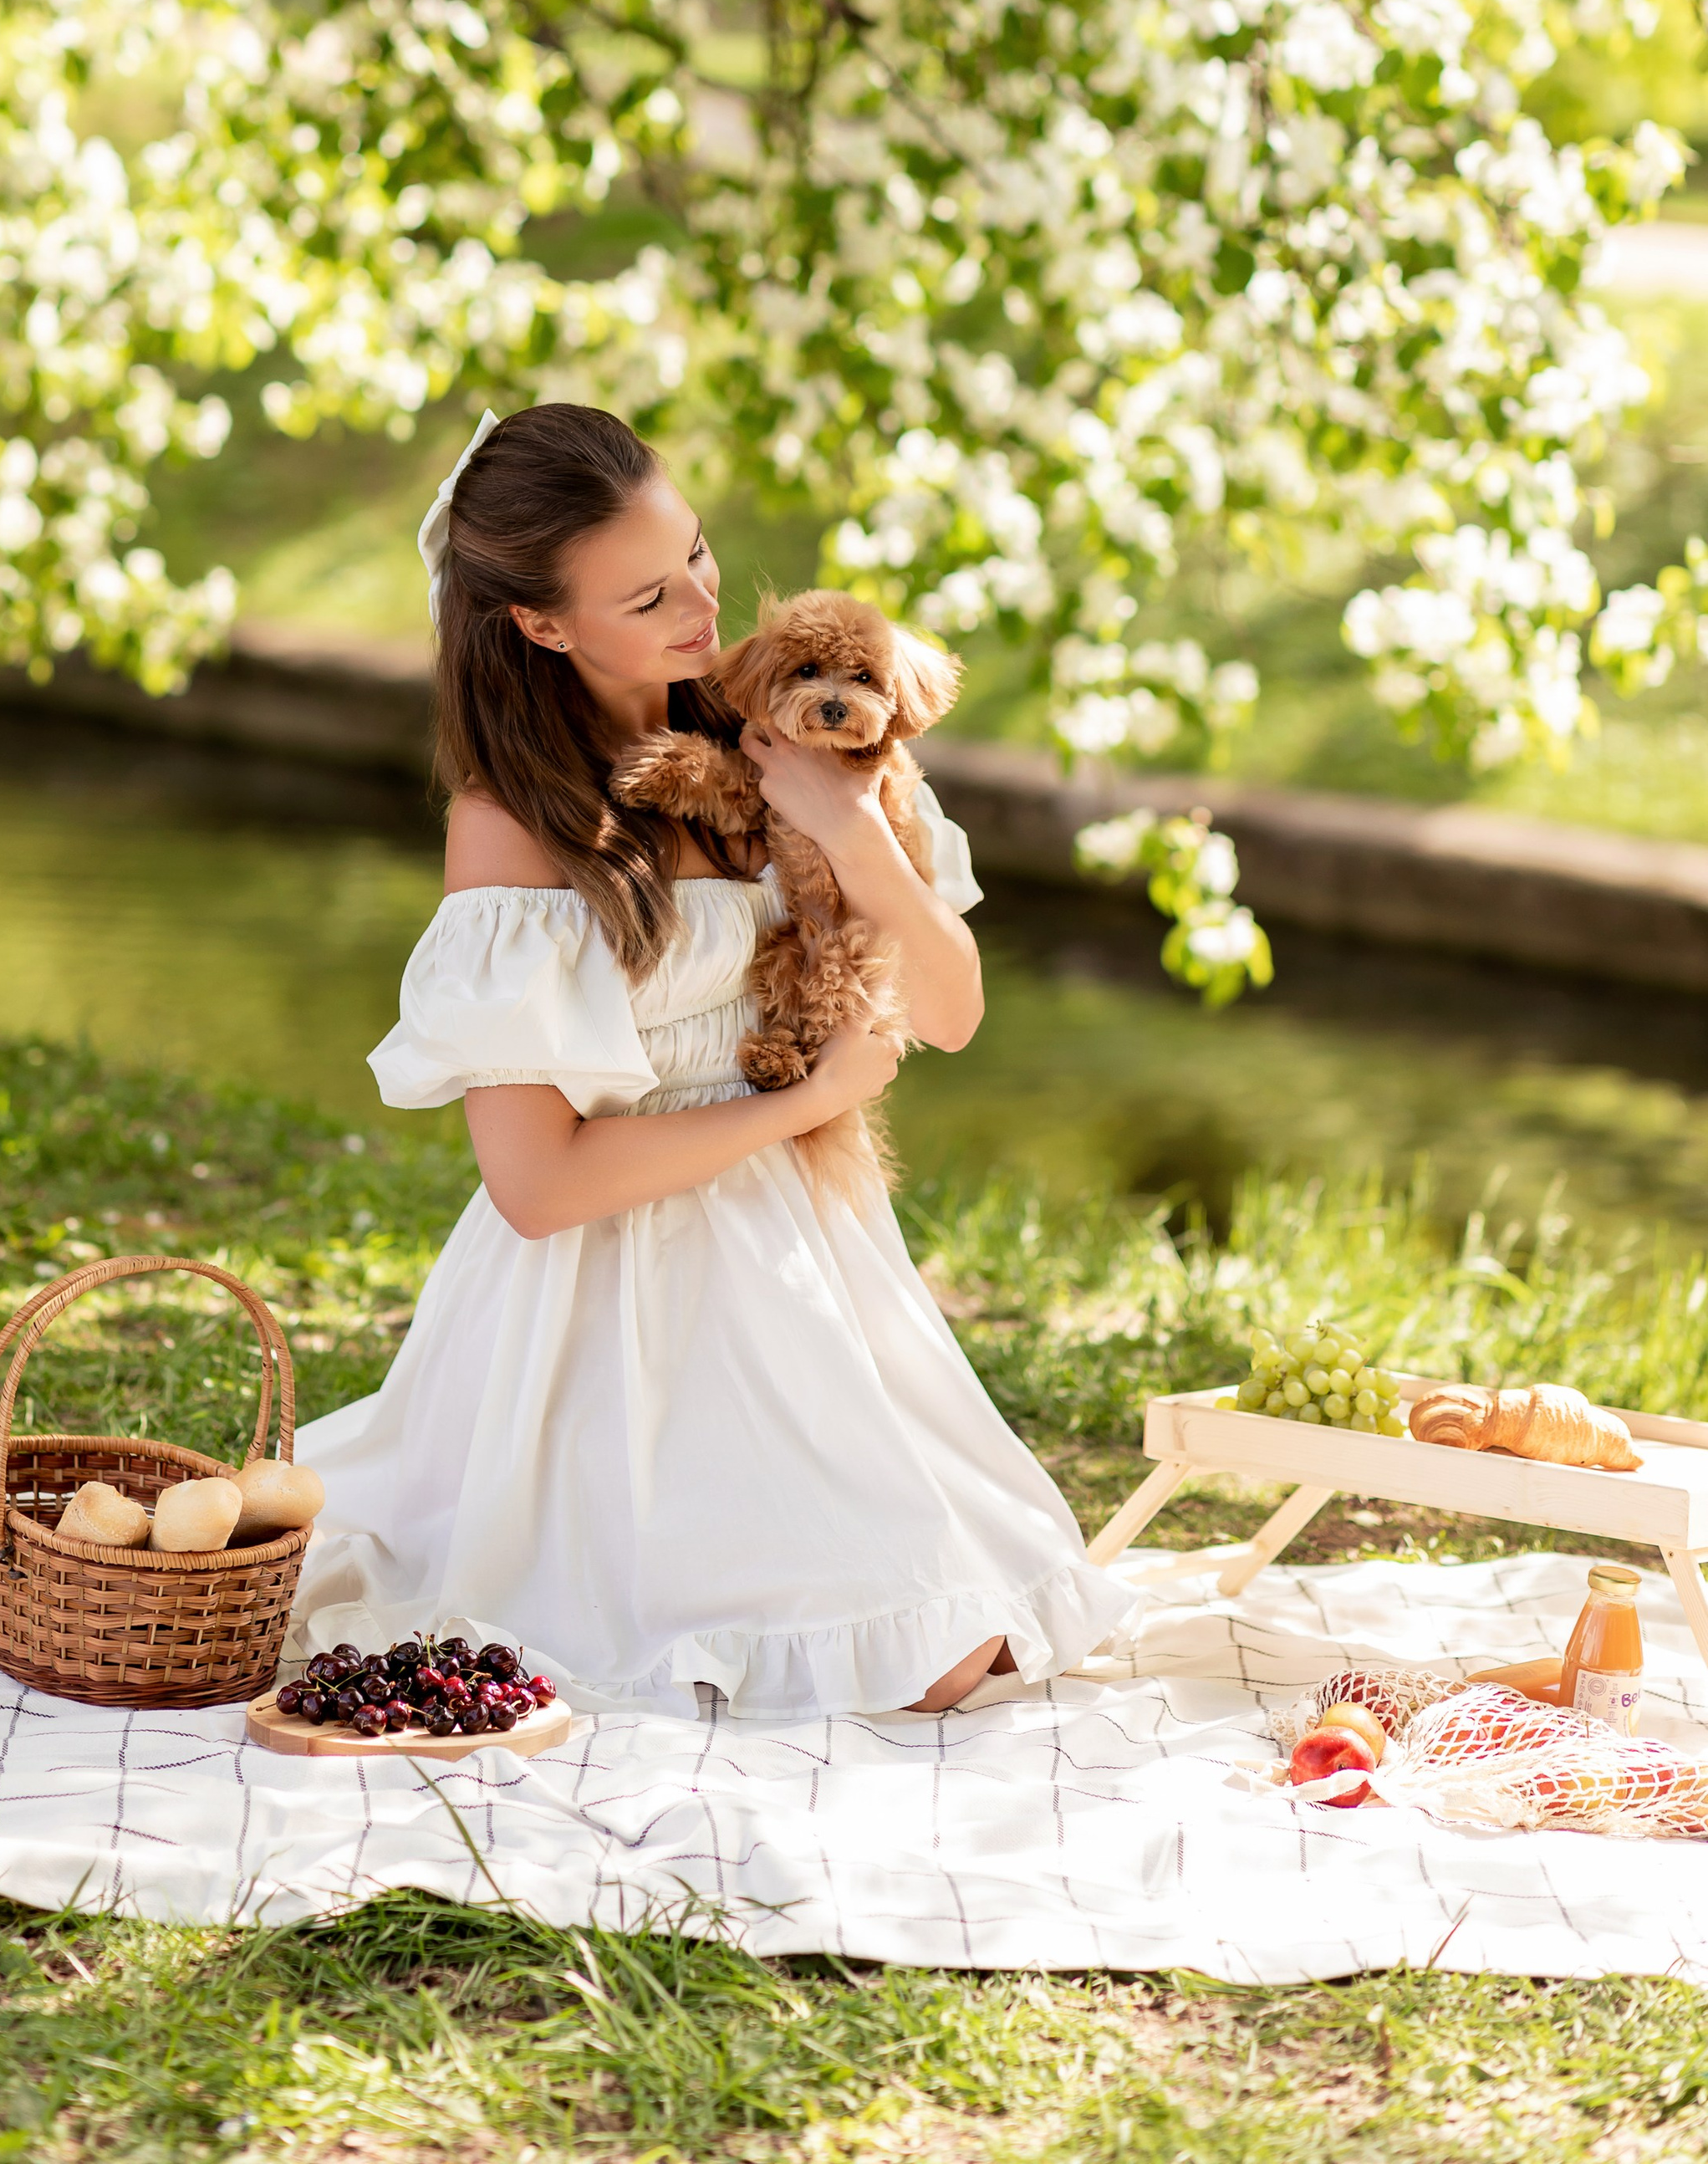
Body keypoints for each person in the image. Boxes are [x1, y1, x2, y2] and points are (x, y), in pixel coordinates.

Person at [288, 405, 1134, 1717]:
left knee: (986, 1626)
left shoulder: (792, 720)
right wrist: (805, 1099)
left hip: (803, 1261)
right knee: (913, 1655)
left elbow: (954, 1010)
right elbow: (539, 1186)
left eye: (699, 555)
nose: (699, 609)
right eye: (647, 594)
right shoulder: (512, 826)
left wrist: (849, 832)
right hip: (609, 1291)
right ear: (542, 624)